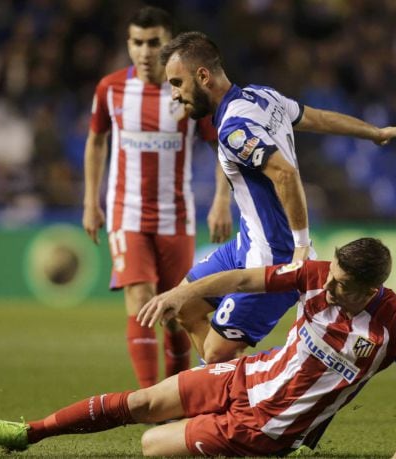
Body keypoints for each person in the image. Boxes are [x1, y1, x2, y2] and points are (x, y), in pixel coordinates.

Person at [0, 237, 396, 458]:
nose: (328, 282)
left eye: (340, 282)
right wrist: (182, 293)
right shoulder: (317, 275)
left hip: (266, 427)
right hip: (248, 374)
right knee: (144, 401)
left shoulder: (393, 327)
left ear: (369, 288)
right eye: (331, 273)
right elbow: (241, 278)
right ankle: (29, 433)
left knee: (152, 446)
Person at [159, 31, 396, 363]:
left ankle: (280, 374)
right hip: (247, 243)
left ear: (203, 76)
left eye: (177, 83)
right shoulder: (261, 97)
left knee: (215, 354)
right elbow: (318, 118)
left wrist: (300, 244)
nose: (175, 94)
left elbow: (284, 172)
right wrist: (373, 132)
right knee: (185, 305)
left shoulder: (235, 129)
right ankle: (229, 387)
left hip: (275, 256)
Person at [81, 8, 233, 388]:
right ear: (128, 44)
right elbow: (96, 140)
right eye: (137, 42)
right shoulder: (111, 89)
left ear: (169, 44)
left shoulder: (184, 91)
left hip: (176, 216)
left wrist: (221, 201)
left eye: (154, 43)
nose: (145, 52)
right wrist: (90, 201)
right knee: (140, 299)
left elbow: (222, 146)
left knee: (176, 313)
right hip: (126, 213)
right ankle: (148, 399)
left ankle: (174, 396)